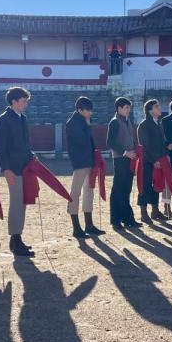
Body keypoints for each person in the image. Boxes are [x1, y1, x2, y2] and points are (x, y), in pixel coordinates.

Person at [0, 86, 36, 256]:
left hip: (24, 168)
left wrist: (31, 156)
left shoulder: (22, 118)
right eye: (23, 101)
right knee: (16, 203)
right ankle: (15, 238)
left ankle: (16, 239)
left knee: (23, 203)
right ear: (14, 102)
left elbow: (25, 144)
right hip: (13, 169)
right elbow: (0, 147)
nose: (25, 104)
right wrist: (6, 169)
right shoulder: (4, 120)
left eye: (26, 101)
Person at [66, 96, 103, 237]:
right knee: (75, 193)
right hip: (80, 161)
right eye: (88, 110)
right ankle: (76, 227)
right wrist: (88, 125)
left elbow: (90, 141)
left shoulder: (83, 120)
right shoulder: (73, 123)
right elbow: (82, 141)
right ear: (80, 110)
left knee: (89, 191)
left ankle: (89, 225)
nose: (90, 113)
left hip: (89, 160)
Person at [106, 97, 141, 229]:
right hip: (120, 159)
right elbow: (110, 143)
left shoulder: (127, 121)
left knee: (126, 189)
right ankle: (116, 221)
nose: (128, 110)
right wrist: (126, 152)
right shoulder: (114, 122)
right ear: (119, 108)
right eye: (126, 107)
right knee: (118, 189)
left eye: (129, 107)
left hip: (130, 159)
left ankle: (127, 219)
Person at [138, 99, 167, 223]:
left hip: (159, 160)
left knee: (157, 184)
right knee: (145, 186)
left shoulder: (158, 123)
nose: (159, 109)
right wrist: (154, 160)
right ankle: (143, 213)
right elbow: (144, 146)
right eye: (156, 107)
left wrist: (163, 157)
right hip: (147, 161)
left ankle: (155, 210)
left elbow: (161, 143)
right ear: (150, 110)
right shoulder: (144, 125)